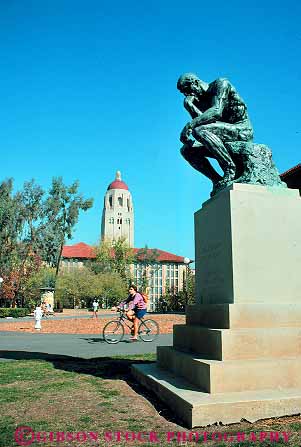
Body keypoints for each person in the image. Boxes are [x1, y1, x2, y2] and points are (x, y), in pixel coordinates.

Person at [177, 73, 254, 195]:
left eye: (187, 91)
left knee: (199, 130)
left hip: (241, 129)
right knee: (187, 151)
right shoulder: (198, 100)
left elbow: (216, 112)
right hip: (222, 132)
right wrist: (189, 106)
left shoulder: (221, 84)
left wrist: (190, 125)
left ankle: (230, 168)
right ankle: (217, 180)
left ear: (195, 82)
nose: (188, 95)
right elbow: (204, 121)